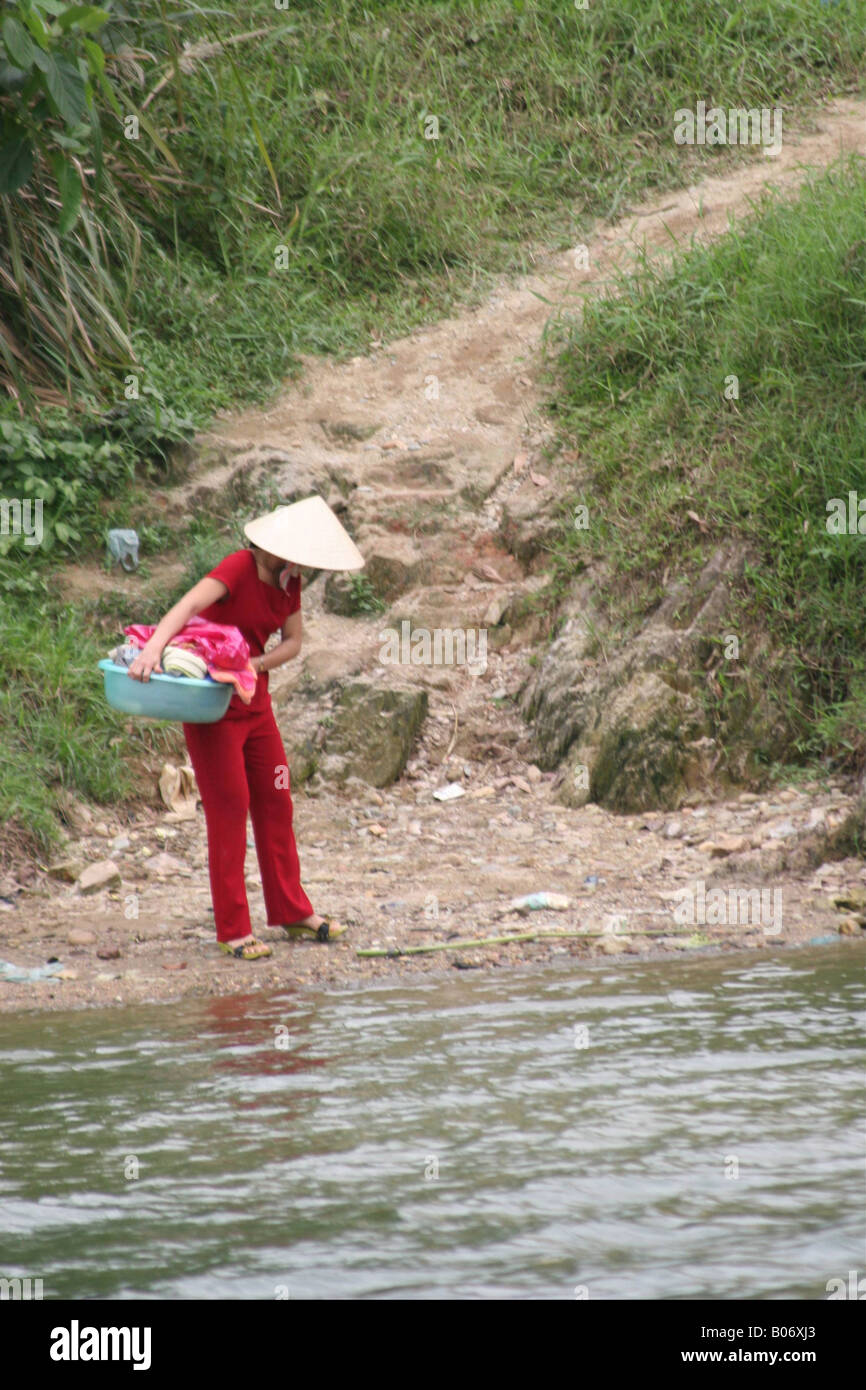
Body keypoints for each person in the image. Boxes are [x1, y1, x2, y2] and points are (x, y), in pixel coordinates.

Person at [127, 495, 365, 961]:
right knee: (230, 807)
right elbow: (187, 604)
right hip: (213, 707)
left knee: (276, 796)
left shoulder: (288, 581)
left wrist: (255, 664)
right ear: (278, 545)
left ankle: (293, 912)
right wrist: (153, 649)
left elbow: (294, 642)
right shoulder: (238, 566)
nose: (303, 565)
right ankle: (233, 928)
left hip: (255, 703)